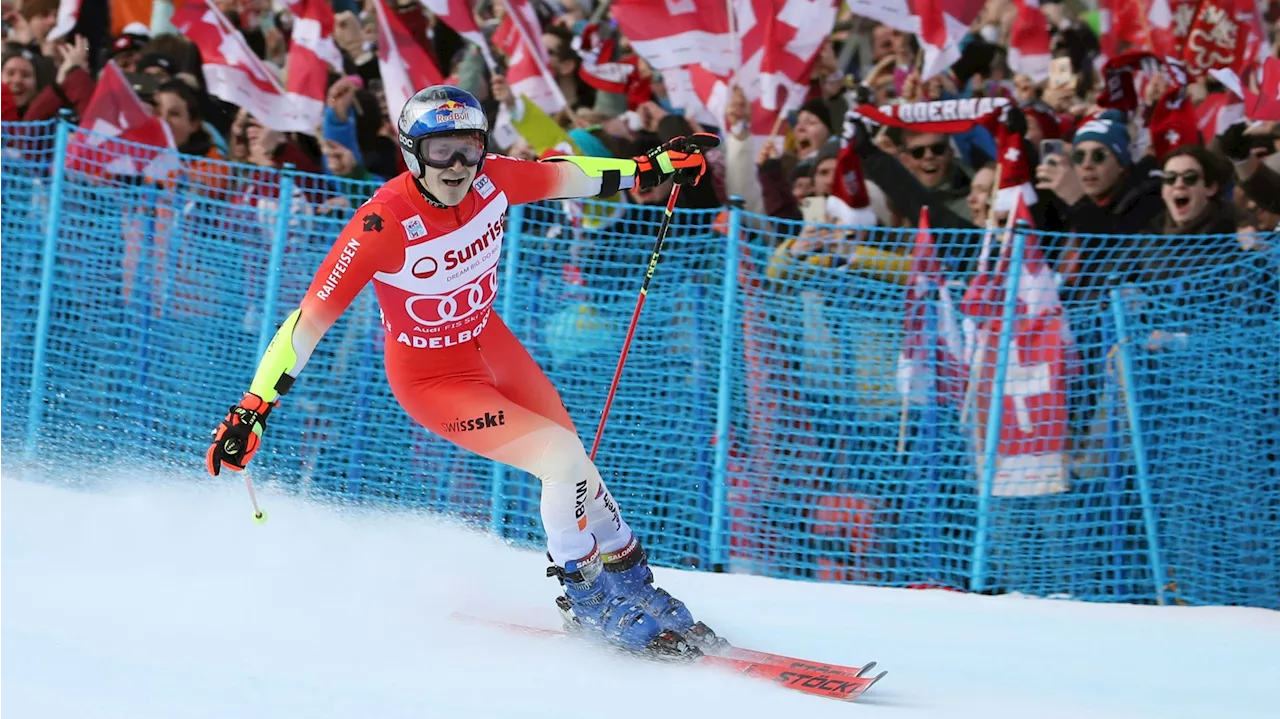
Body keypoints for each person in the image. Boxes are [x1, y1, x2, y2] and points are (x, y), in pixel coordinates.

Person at [204, 85, 720, 659]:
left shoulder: (493, 180)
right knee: (561, 459)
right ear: (411, 152)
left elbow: (569, 175)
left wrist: (650, 166)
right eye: (440, 150)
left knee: (572, 461)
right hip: (431, 378)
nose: (457, 166)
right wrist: (255, 407)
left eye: (468, 149)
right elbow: (308, 320)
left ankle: (630, 582)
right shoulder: (383, 223)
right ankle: (588, 597)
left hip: (486, 342)